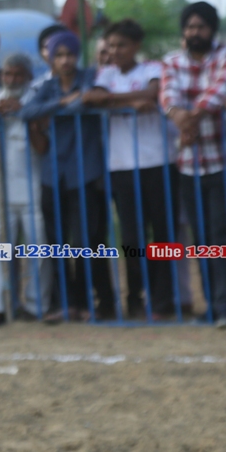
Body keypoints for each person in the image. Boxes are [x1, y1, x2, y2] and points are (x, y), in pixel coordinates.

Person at [84, 19, 180, 318]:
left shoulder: (152, 68)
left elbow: (151, 94)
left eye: (121, 45)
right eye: (111, 45)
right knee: (131, 238)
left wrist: (111, 101)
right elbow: (91, 98)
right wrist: (130, 102)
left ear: (136, 45)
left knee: (162, 234)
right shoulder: (106, 73)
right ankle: (135, 298)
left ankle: (163, 301)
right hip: (122, 165)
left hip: (158, 161)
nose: (115, 51)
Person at [160, 1, 226, 328]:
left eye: (201, 26)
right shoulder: (171, 61)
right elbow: (168, 98)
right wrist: (180, 116)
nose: (195, 32)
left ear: (212, 29)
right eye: (190, 27)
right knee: (201, 237)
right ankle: (212, 304)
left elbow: (219, 91)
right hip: (188, 163)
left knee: (223, 233)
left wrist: (188, 119)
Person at [22, 30, 117, 322]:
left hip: (85, 170)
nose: (65, 60)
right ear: (51, 58)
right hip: (53, 172)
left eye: (70, 54)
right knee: (56, 242)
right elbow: (27, 111)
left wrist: (62, 106)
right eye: (59, 55)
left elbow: (86, 100)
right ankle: (67, 302)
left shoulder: (89, 77)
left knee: (86, 242)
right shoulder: (47, 86)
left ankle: (96, 301)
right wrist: (62, 104)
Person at [0, 54, 51, 326]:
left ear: (28, 77)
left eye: (18, 74)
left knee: (37, 247)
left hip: (33, 187)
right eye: (7, 74)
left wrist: (25, 114)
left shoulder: (36, 101)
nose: (12, 80)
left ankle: (35, 304)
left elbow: (42, 147)